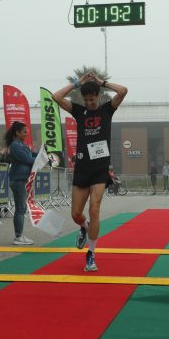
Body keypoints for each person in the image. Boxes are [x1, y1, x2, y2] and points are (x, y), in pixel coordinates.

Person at [53, 72, 128, 272]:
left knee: (94, 208)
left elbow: (123, 91)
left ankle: (91, 254)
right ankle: (84, 228)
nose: (89, 103)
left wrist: (101, 82)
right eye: (85, 100)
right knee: (76, 214)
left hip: (100, 168)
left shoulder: (107, 110)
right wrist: (76, 84)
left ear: (98, 96)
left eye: (92, 99)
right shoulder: (79, 111)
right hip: (82, 168)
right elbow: (56, 97)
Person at [4, 121, 36, 245]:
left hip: (21, 179)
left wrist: (43, 155)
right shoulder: (15, 146)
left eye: (27, 132)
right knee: (20, 209)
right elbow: (28, 159)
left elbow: (32, 155)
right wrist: (39, 159)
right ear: (17, 133)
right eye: (24, 132)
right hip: (18, 180)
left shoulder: (21, 144)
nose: (26, 134)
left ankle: (19, 235)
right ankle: (18, 237)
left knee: (21, 208)